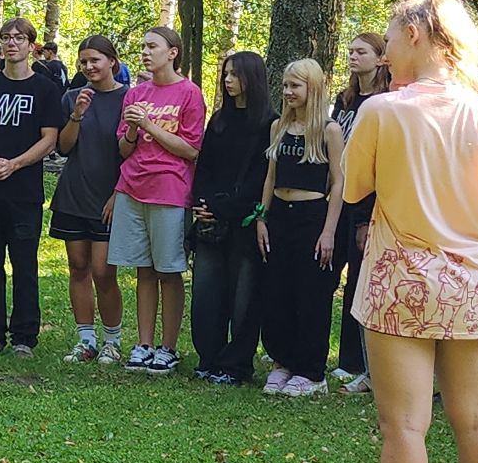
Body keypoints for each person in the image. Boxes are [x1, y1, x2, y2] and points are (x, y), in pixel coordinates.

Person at [328, 0, 478, 463]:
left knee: (406, 428)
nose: (382, 54)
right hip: (476, 282)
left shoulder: (384, 110)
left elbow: (355, 188)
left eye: (388, 37)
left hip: (400, 279)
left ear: (417, 33)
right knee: (476, 422)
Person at [0, 17, 65, 356]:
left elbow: (49, 138)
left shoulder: (46, 89)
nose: (12, 43)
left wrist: (16, 163)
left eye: (19, 38)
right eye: (6, 38)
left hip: (24, 191)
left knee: (24, 263)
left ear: (30, 46)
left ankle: (25, 337)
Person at [113, 26, 205, 376]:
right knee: (143, 269)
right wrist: (134, 130)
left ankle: (168, 348)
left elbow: (191, 149)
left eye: (153, 46)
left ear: (173, 52)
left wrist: (150, 126)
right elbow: (123, 149)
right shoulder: (135, 93)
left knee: (169, 270)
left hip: (170, 189)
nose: (146, 52)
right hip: (132, 187)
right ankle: (144, 344)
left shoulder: (189, 93)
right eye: (143, 47)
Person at [255, 59, 347, 396]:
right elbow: (270, 177)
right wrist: (261, 218)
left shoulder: (329, 130)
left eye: (296, 86)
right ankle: (282, 362)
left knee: (310, 295)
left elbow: (338, 183)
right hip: (279, 214)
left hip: (312, 216)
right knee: (277, 292)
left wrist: (329, 231)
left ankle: (311, 372)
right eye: (285, 85)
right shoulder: (278, 126)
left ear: (314, 88)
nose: (288, 92)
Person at [188, 51, 275, 384]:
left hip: (245, 222)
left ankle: (237, 364)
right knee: (208, 294)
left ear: (251, 78)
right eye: (225, 74)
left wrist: (226, 208)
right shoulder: (220, 120)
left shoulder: (269, 123)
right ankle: (209, 358)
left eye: (234, 75)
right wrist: (203, 203)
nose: (227, 80)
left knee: (244, 297)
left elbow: (262, 177)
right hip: (210, 219)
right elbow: (204, 165)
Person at [52, 36, 129, 364]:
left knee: (103, 271)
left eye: (95, 60)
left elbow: (132, 153)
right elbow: (64, 147)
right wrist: (77, 115)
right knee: (78, 267)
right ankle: (86, 339)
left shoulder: (130, 97)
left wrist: (118, 194)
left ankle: (113, 339)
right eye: (83, 62)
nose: (88, 67)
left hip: (109, 197)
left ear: (112, 61)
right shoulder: (72, 97)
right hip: (73, 194)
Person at [330, 32, 389, 393]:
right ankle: (339, 356)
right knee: (331, 271)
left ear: (379, 58)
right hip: (339, 193)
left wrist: (367, 216)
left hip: (368, 199)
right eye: (350, 51)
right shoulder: (345, 99)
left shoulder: (386, 101)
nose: (353, 57)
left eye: (361, 52)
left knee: (359, 280)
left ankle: (356, 360)